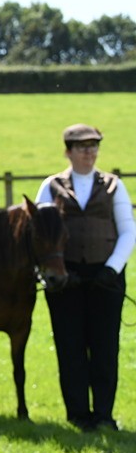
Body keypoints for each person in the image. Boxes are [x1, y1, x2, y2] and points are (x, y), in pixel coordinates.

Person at [37, 124, 134, 431]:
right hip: (66, 280)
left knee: (105, 348)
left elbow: (128, 230)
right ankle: (78, 415)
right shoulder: (51, 187)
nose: (89, 152)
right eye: (82, 147)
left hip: (105, 278)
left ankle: (104, 415)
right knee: (70, 347)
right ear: (68, 152)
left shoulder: (113, 186)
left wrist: (112, 268)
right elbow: (40, 234)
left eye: (94, 146)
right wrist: (55, 275)